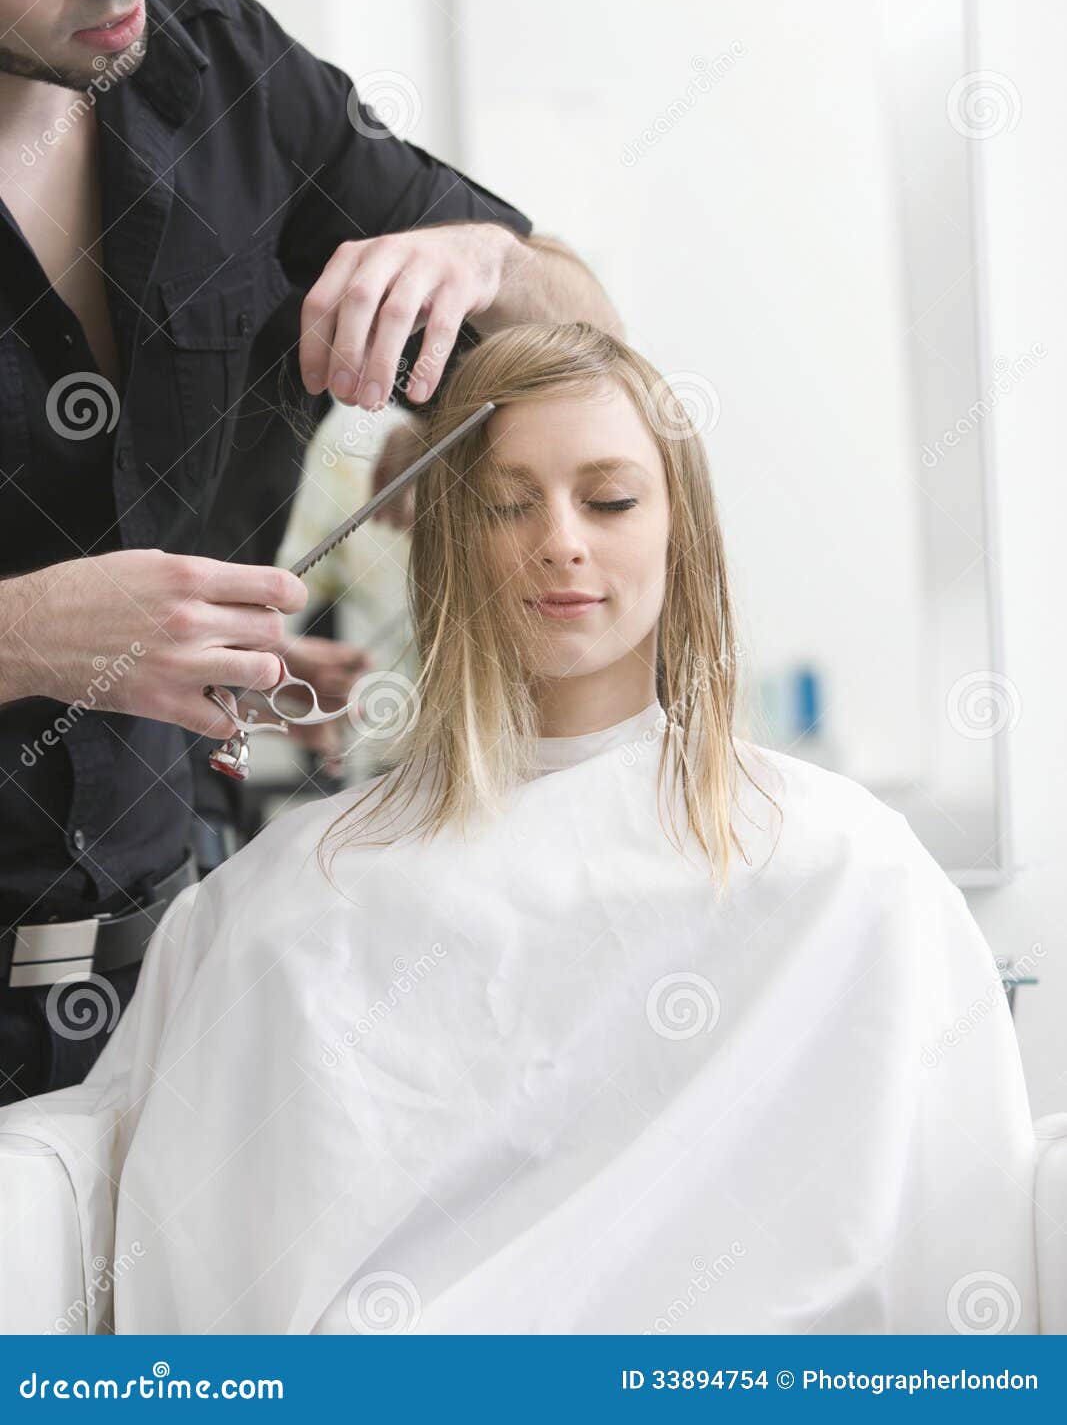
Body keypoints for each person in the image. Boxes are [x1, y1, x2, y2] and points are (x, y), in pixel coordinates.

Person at [0, 323, 1039, 1335]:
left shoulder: (841, 866)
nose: (561, 542)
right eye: (506, 504)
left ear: (683, 527)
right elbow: (193, 1268)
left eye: (610, 499)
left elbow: (955, 1249)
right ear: (450, 537)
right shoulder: (291, 894)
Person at [0, 0, 617, 1102]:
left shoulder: (225, 75)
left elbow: (585, 339)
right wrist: (31, 633)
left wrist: (480, 259)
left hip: (181, 977)